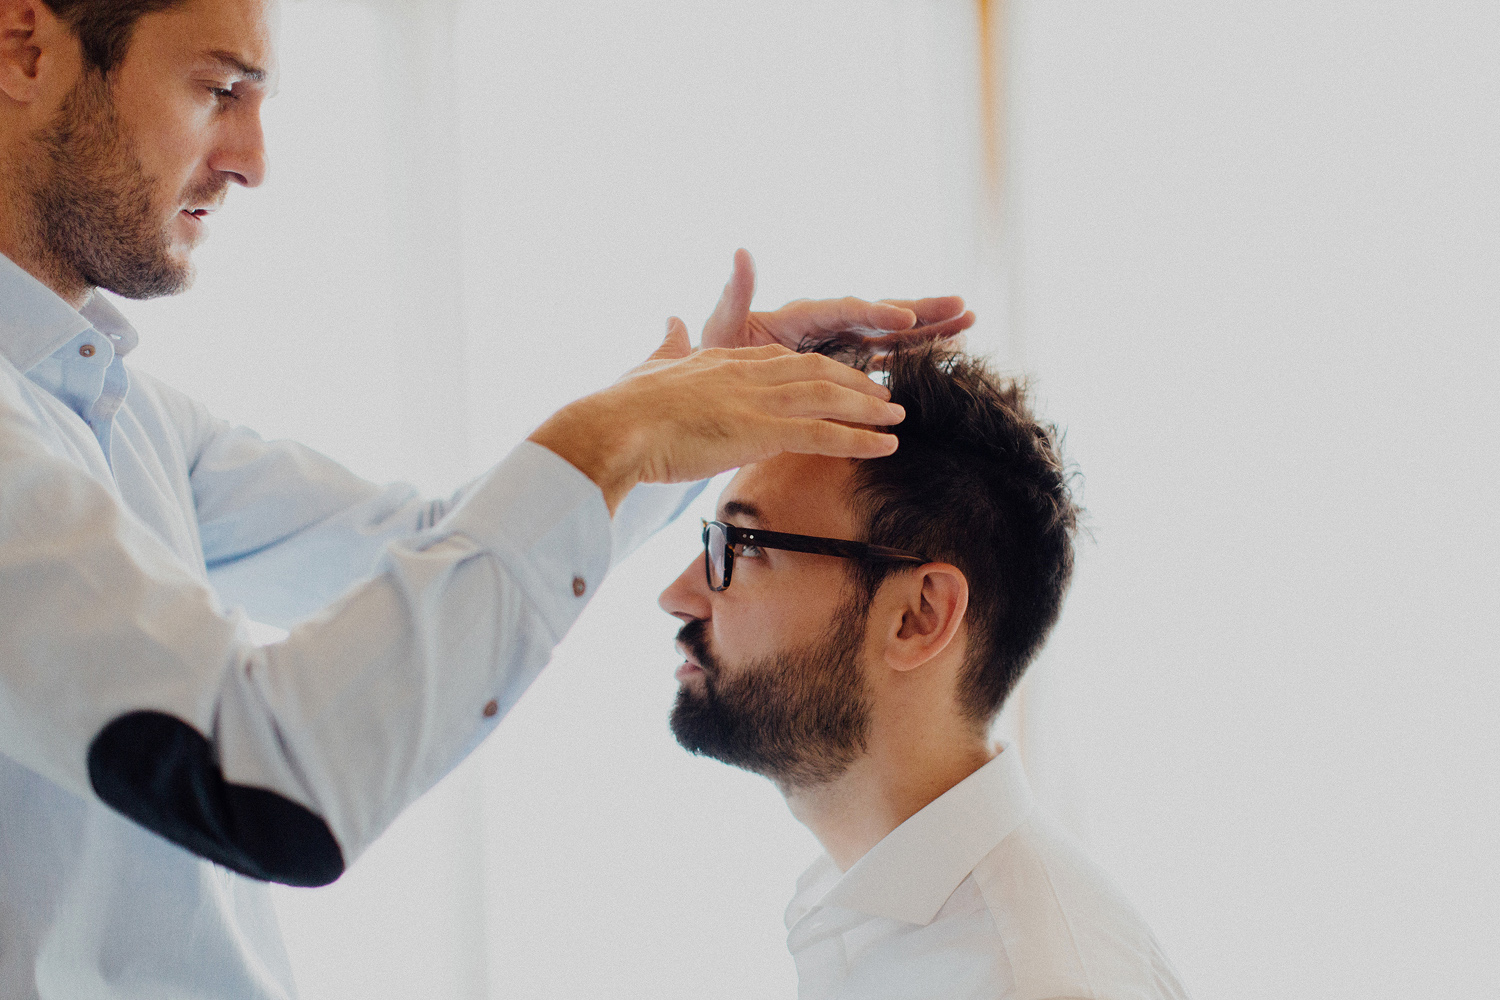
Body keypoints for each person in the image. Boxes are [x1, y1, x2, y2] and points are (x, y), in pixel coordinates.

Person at [0, 0, 977, 994]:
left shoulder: (110, 407)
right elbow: (258, 778)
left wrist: (673, 421)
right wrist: (618, 435)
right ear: (25, 49)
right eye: (218, 89)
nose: (253, 161)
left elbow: (420, 548)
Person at [659, 342, 1192, 1000]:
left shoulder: (1026, 981)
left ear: (918, 616)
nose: (677, 595)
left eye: (740, 547)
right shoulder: (861, 906)